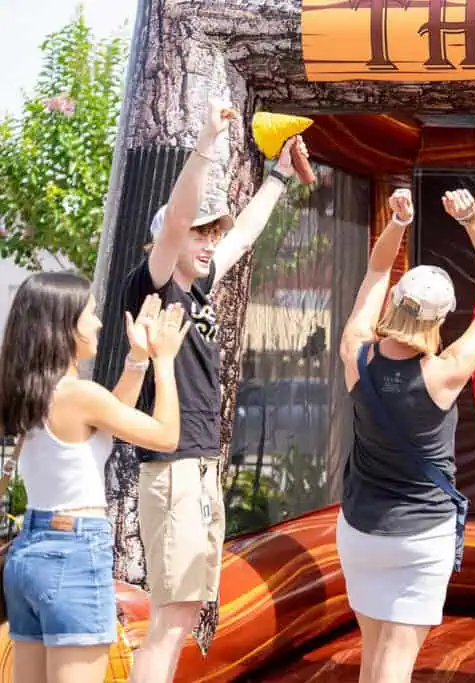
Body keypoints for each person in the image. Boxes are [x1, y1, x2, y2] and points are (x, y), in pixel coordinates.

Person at [123, 99, 308, 683]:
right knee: (170, 618)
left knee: (181, 613)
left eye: (212, 234)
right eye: (201, 233)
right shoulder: (154, 287)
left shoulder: (200, 291)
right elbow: (177, 219)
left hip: (199, 465)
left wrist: (278, 174)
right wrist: (205, 142)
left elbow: (246, 232)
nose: (208, 242)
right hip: (173, 465)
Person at [336, 188, 475, 683]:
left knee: (373, 656)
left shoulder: (356, 354)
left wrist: (397, 223)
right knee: (395, 661)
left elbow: (375, 272)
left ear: (393, 304)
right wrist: (472, 219)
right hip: (420, 537)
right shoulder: (446, 373)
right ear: (441, 319)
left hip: (358, 530)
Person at [0, 273, 190, 683]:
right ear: (64, 325)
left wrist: (137, 358)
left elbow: (106, 425)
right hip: (73, 551)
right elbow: (167, 436)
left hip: (30, 554)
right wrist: (166, 363)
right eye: (89, 313)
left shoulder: (34, 392)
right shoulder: (78, 395)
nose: (99, 323)